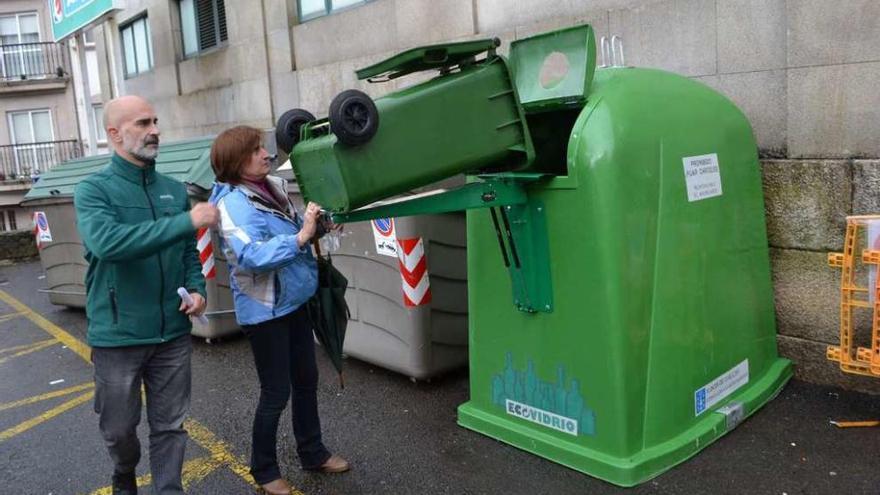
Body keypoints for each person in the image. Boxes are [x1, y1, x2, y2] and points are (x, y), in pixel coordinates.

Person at [74, 95, 219, 495]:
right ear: (115, 134)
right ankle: (124, 473)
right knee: (119, 431)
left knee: (170, 426)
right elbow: (108, 244)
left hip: (172, 334)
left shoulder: (173, 189)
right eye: (142, 123)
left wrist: (196, 288)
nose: (155, 130)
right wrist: (187, 220)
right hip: (118, 336)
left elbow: (189, 251)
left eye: (155, 121)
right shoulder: (93, 190)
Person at [208, 126, 349, 495]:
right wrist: (301, 236)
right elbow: (252, 256)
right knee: (275, 392)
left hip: (295, 301)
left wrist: (318, 226)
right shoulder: (231, 204)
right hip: (265, 313)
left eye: (262, 147)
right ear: (236, 163)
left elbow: (291, 231)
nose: (265, 153)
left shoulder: (273, 187)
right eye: (255, 150)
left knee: (307, 381)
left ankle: (312, 452)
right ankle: (265, 470)